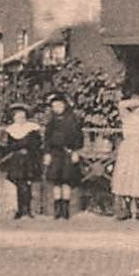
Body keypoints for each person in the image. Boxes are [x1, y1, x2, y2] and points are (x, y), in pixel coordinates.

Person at [41, 92, 84, 220]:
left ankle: (65, 210)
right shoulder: (51, 122)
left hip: (68, 154)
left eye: (59, 105)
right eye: (54, 106)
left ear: (64, 105)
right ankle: (57, 210)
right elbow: (47, 139)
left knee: (66, 181)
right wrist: (47, 153)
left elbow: (78, 138)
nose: (57, 108)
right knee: (56, 182)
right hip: (55, 153)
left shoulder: (72, 120)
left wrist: (76, 151)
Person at [0, 103, 42, 219]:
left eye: (23, 116)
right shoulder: (10, 130)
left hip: (29, 159)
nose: (20, 119)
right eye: (17, 116)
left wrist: (28, 149)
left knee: (27, 183)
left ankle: (27, 209)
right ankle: (20, 210)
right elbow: (5, 146)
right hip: (16, 160)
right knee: (19, 183)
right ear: (13, 117)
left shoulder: (32, 128)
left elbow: (37, 143)